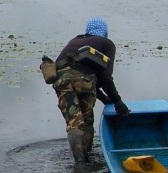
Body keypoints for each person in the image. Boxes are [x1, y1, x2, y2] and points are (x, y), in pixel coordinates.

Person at [53, 17, 129, 162]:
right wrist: (118, 102)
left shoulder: (74, 41)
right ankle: (85, 161)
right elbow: (105, 77)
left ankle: (79, 164)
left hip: (61, 81)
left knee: (74, 122)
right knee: (87, 121)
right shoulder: (106, 43)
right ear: (105, 32)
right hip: (85, 82)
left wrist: (104, 98)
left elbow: (73, 72)